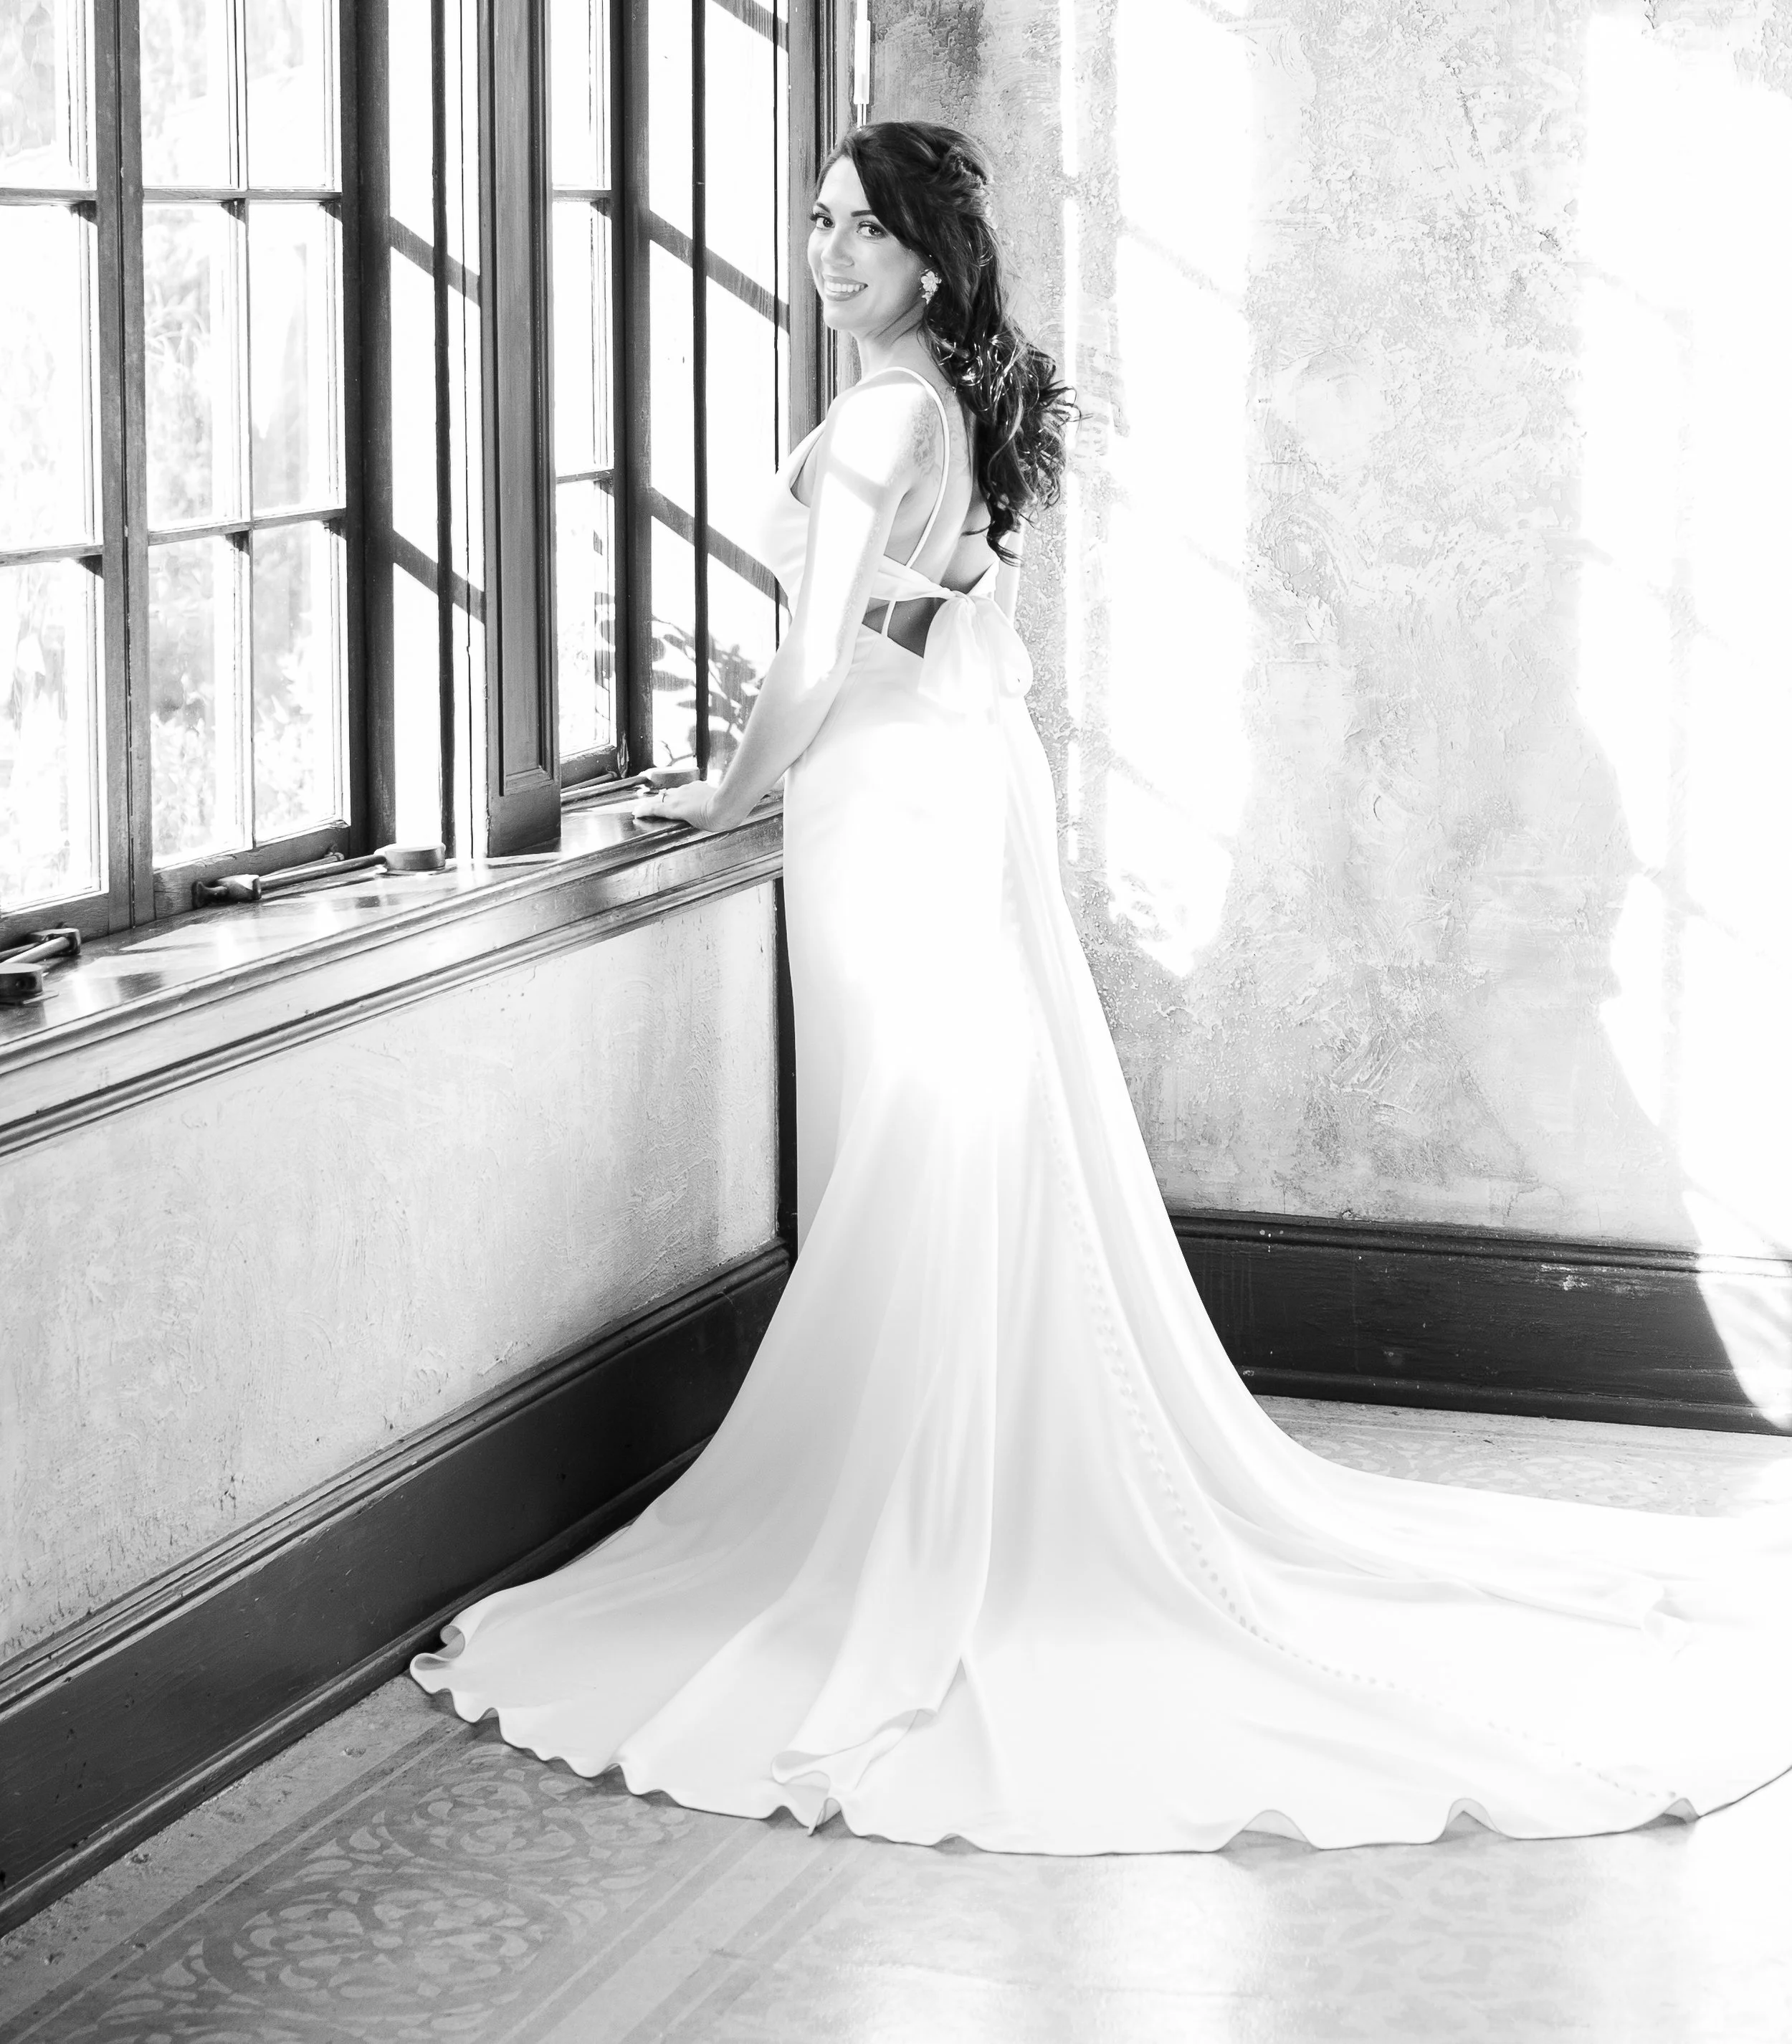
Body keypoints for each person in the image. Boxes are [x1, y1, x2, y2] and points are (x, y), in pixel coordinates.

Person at [414, 121, 1792, 1853]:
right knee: (957, 1126)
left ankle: (922, 1513)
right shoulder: (958, 396)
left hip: (884, 801)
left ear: (928, 253)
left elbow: (822, 645)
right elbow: (946, 618)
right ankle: (981, 1478)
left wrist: (721, 796)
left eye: (865, 230)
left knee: (913, 1130)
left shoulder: (877, 411)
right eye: (820, 223)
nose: (830, 253)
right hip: (950, 779)